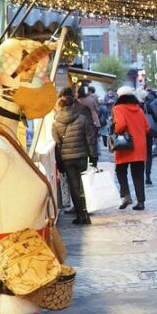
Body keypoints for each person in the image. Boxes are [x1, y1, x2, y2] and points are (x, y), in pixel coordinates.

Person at [52, 89, 97, 225]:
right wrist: (93, 156)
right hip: (82, 156)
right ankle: (86, 213)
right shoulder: (82, 119)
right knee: (83, 186)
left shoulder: (56, 123)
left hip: (67, 159)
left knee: (74, 187)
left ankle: (80, 215)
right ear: (72, 105)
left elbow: (57, 145)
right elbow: (90, 138)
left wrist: (60, 165)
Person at [111, 85, 151, 210]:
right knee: (138, 174)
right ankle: (141, 202)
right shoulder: (138, 109)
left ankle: (126, 195)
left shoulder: (118, 108)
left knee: (121, 171)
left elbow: (121, 125)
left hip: (125, 145)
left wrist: (115, 129)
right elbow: (147, 127)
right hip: (139, 146)